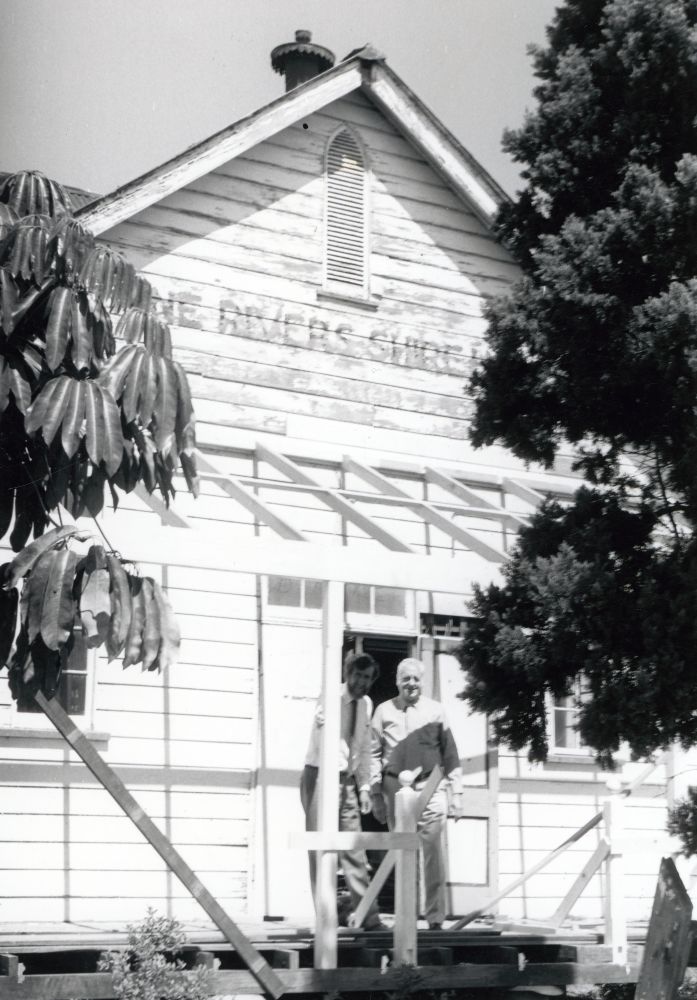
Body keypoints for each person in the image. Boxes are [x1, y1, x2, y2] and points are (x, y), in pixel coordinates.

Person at [370, 657, 463, 930]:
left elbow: (450, 753)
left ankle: (435, 918)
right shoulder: (383, 711)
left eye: (416, 678)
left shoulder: (436, 711)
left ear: (422, 682)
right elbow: (372, 754)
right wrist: (376, 794)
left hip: (431, 787)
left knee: (433, 850)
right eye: (406, 678)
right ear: (397, 681)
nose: (411, 683)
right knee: (403, 851)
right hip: (395, 789)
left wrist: (456, 793)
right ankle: (407, 918)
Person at [300, 651, 385, 930]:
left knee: (353, 847)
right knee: (320, 847)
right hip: (320, 776)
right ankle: (324, 917)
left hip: (347, 780)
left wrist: (363, 787)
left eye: (367, 678)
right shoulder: (330, 697)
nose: (361, 682)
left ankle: (368, 916)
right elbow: (321, 723)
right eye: (357, 675)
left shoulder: (366, 704)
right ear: (347, 673)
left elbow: (361, 747)